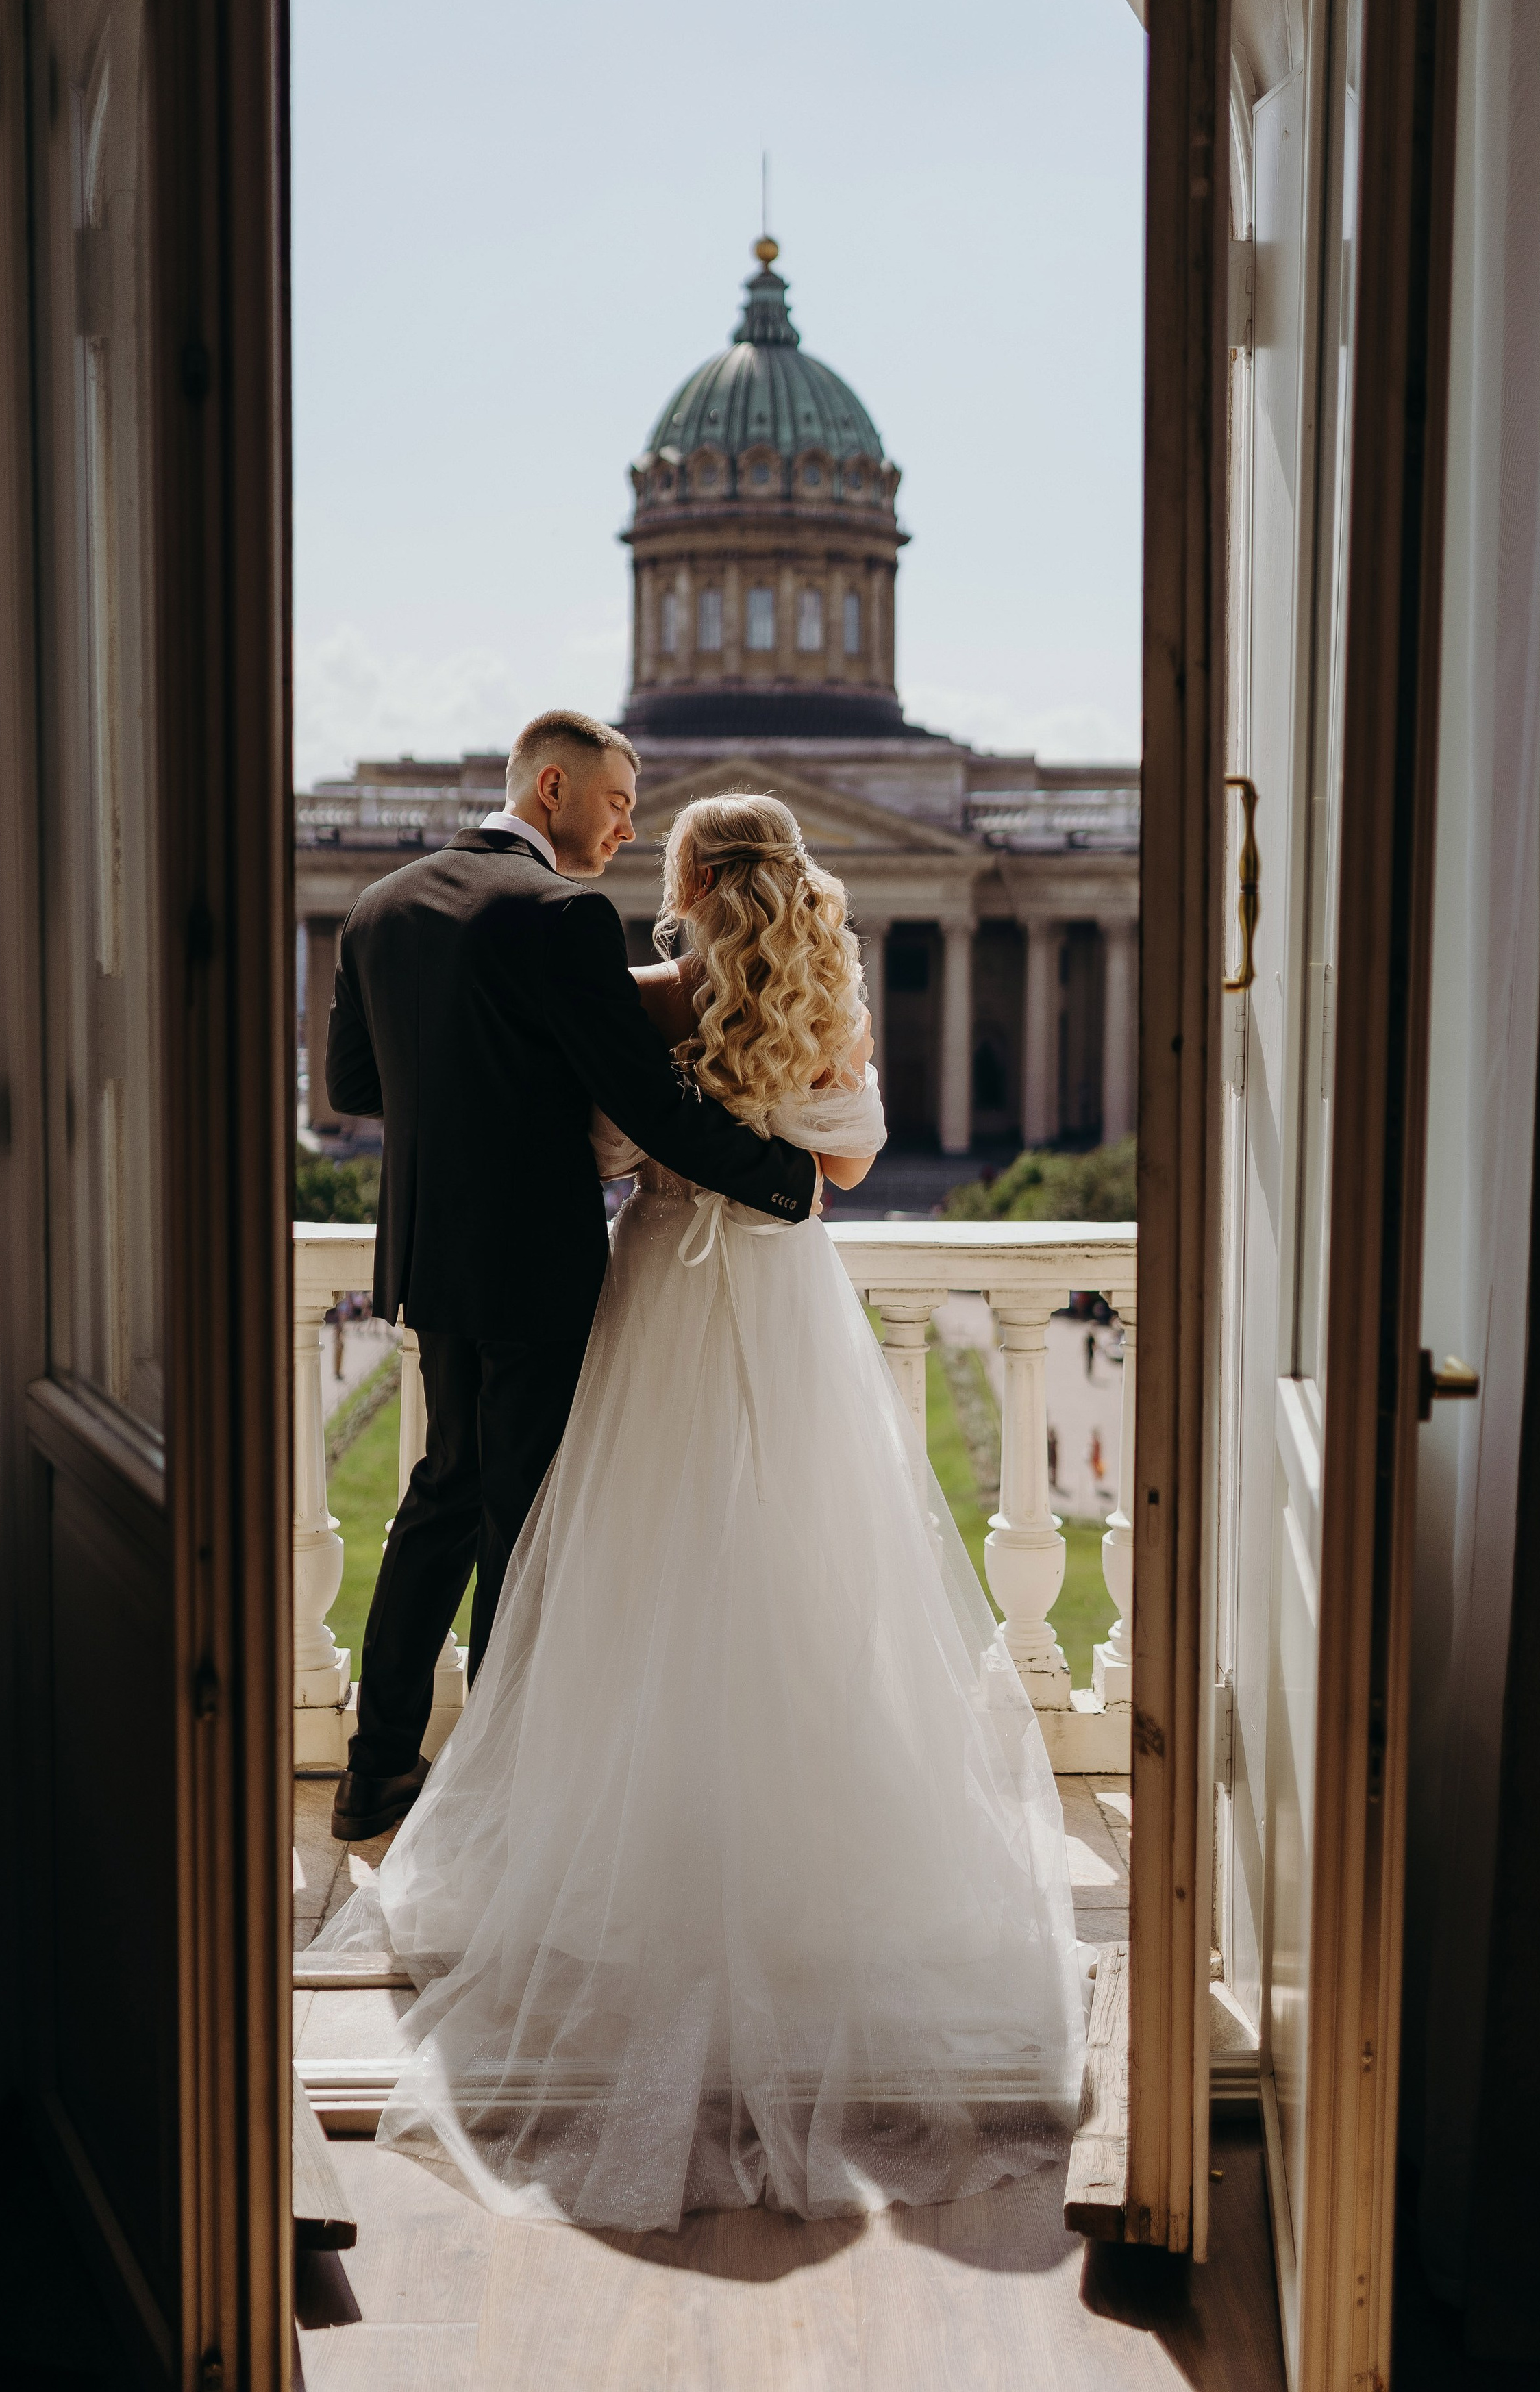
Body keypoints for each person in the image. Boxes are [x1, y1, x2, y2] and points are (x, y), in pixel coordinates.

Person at [304, 792, 1083, 2230]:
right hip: (782, 1304)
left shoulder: (644, 991)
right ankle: (807, 1869)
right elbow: (845, 1158)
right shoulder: (823, 984)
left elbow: (606, 1144)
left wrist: (666, 1154)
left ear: (681, 874)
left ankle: (613, 1859)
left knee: (625, 1580)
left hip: (656, 1287)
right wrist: (781, 1164)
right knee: (802, 1584)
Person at [323, 717, 821, 1845]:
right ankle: (493, 1791)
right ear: (552, 786)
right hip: (535, 1254)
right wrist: (783, 1180)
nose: (628, 828)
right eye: (617, 804)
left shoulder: (380, 905)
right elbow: (647, 1102)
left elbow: (360, 1081)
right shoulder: (564, 917)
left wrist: (472, 1078)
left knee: (439, 1498)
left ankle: (376, 1769)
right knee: (525, 1520)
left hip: (426, 1252)